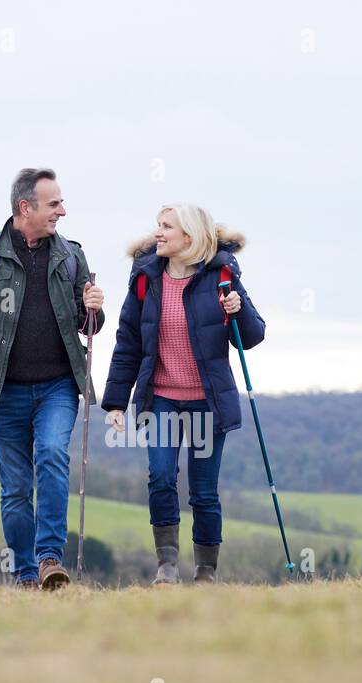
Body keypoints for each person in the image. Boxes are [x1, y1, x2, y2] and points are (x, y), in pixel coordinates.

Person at [0, 168, 105, 590]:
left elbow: (89, 325)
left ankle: (50, 558)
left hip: (58, 386)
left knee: (51, 454)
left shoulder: (71, 256)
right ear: (24, 208)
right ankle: (25, 575)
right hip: (3, 390)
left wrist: (95, 308)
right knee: (15, 488)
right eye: (54, 205)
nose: (62, 212)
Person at [101, 203, 266, 585]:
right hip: (161, 398)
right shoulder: (146, 279)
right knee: (160, 477)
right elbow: (127, 341)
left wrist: (237, 310)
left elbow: (253, 337)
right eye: (158, 225)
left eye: (167, 227)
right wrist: (114, 402)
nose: (158, 233)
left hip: (206, 402)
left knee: (203, 491)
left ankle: (206, 572)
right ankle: (167, 566)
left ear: (189, 237)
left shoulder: (222, 276)